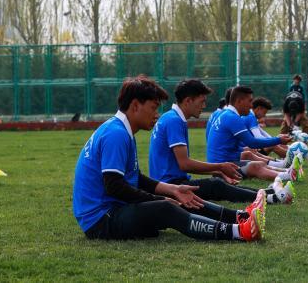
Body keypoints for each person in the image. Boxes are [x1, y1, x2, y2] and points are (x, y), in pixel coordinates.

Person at [72, 75, 264, 242]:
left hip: (111, 211)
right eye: (153, 108)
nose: (156, 114)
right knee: (166, 207)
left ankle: (241, 216)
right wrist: (161, 198)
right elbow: (114, 186)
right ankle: (239, 232)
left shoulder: (121, 131)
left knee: (183, 197)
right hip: (101, 219)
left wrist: (172, 190)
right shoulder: (116, 134)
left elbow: (135, 178)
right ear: (135, 105)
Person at [149, 80, 294, 206]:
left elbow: (182, 164)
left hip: (168, 183)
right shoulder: (174, 121)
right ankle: (271, 197)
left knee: (219, 184)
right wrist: (219, 167)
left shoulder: (171, 117)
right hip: (171, 186)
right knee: (216, 186)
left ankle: (269, 192)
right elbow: (184, 164)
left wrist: (218, 170)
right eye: (202, 101)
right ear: (188, 101)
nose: (204, 105)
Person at [207, 86, 301, 182]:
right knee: (255, 166)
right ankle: (289, 175)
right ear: (239, 101)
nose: (251, 105)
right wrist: (278, 140)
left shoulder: (227, 114)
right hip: (222, 168)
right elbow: (252, 142)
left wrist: (276, 139)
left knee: (254, 159)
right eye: (249, 101)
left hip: (221, 164)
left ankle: (286, 170)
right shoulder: (232, 117)